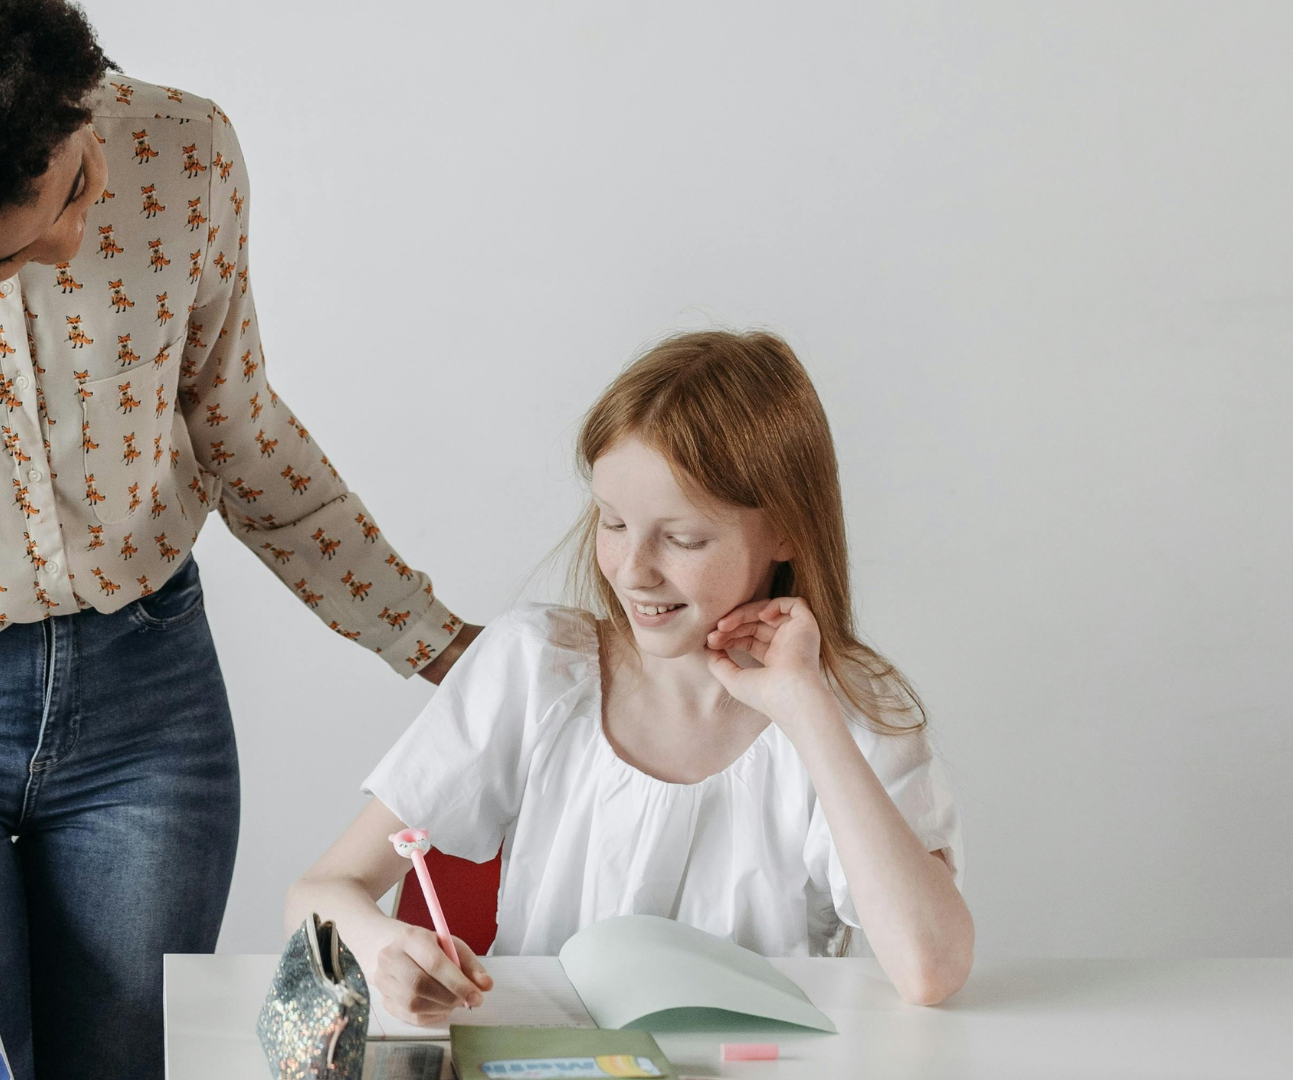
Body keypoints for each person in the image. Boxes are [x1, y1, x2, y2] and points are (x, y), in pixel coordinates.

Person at [0, 3, 479, 1077]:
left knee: (128, 1060)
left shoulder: (185, 152)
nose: (68, 238)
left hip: (147, 699)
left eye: (73, 187)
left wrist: (443, 646)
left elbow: (237, 426)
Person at [285, 330, 974, 1025]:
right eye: (612, 523)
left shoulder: (850, 711)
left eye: (683, 539)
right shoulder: (535, 667)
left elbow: (931, 969)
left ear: (788, 531)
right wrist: (380, 949)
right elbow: (319, 891)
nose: (634, 570)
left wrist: (806, 709)